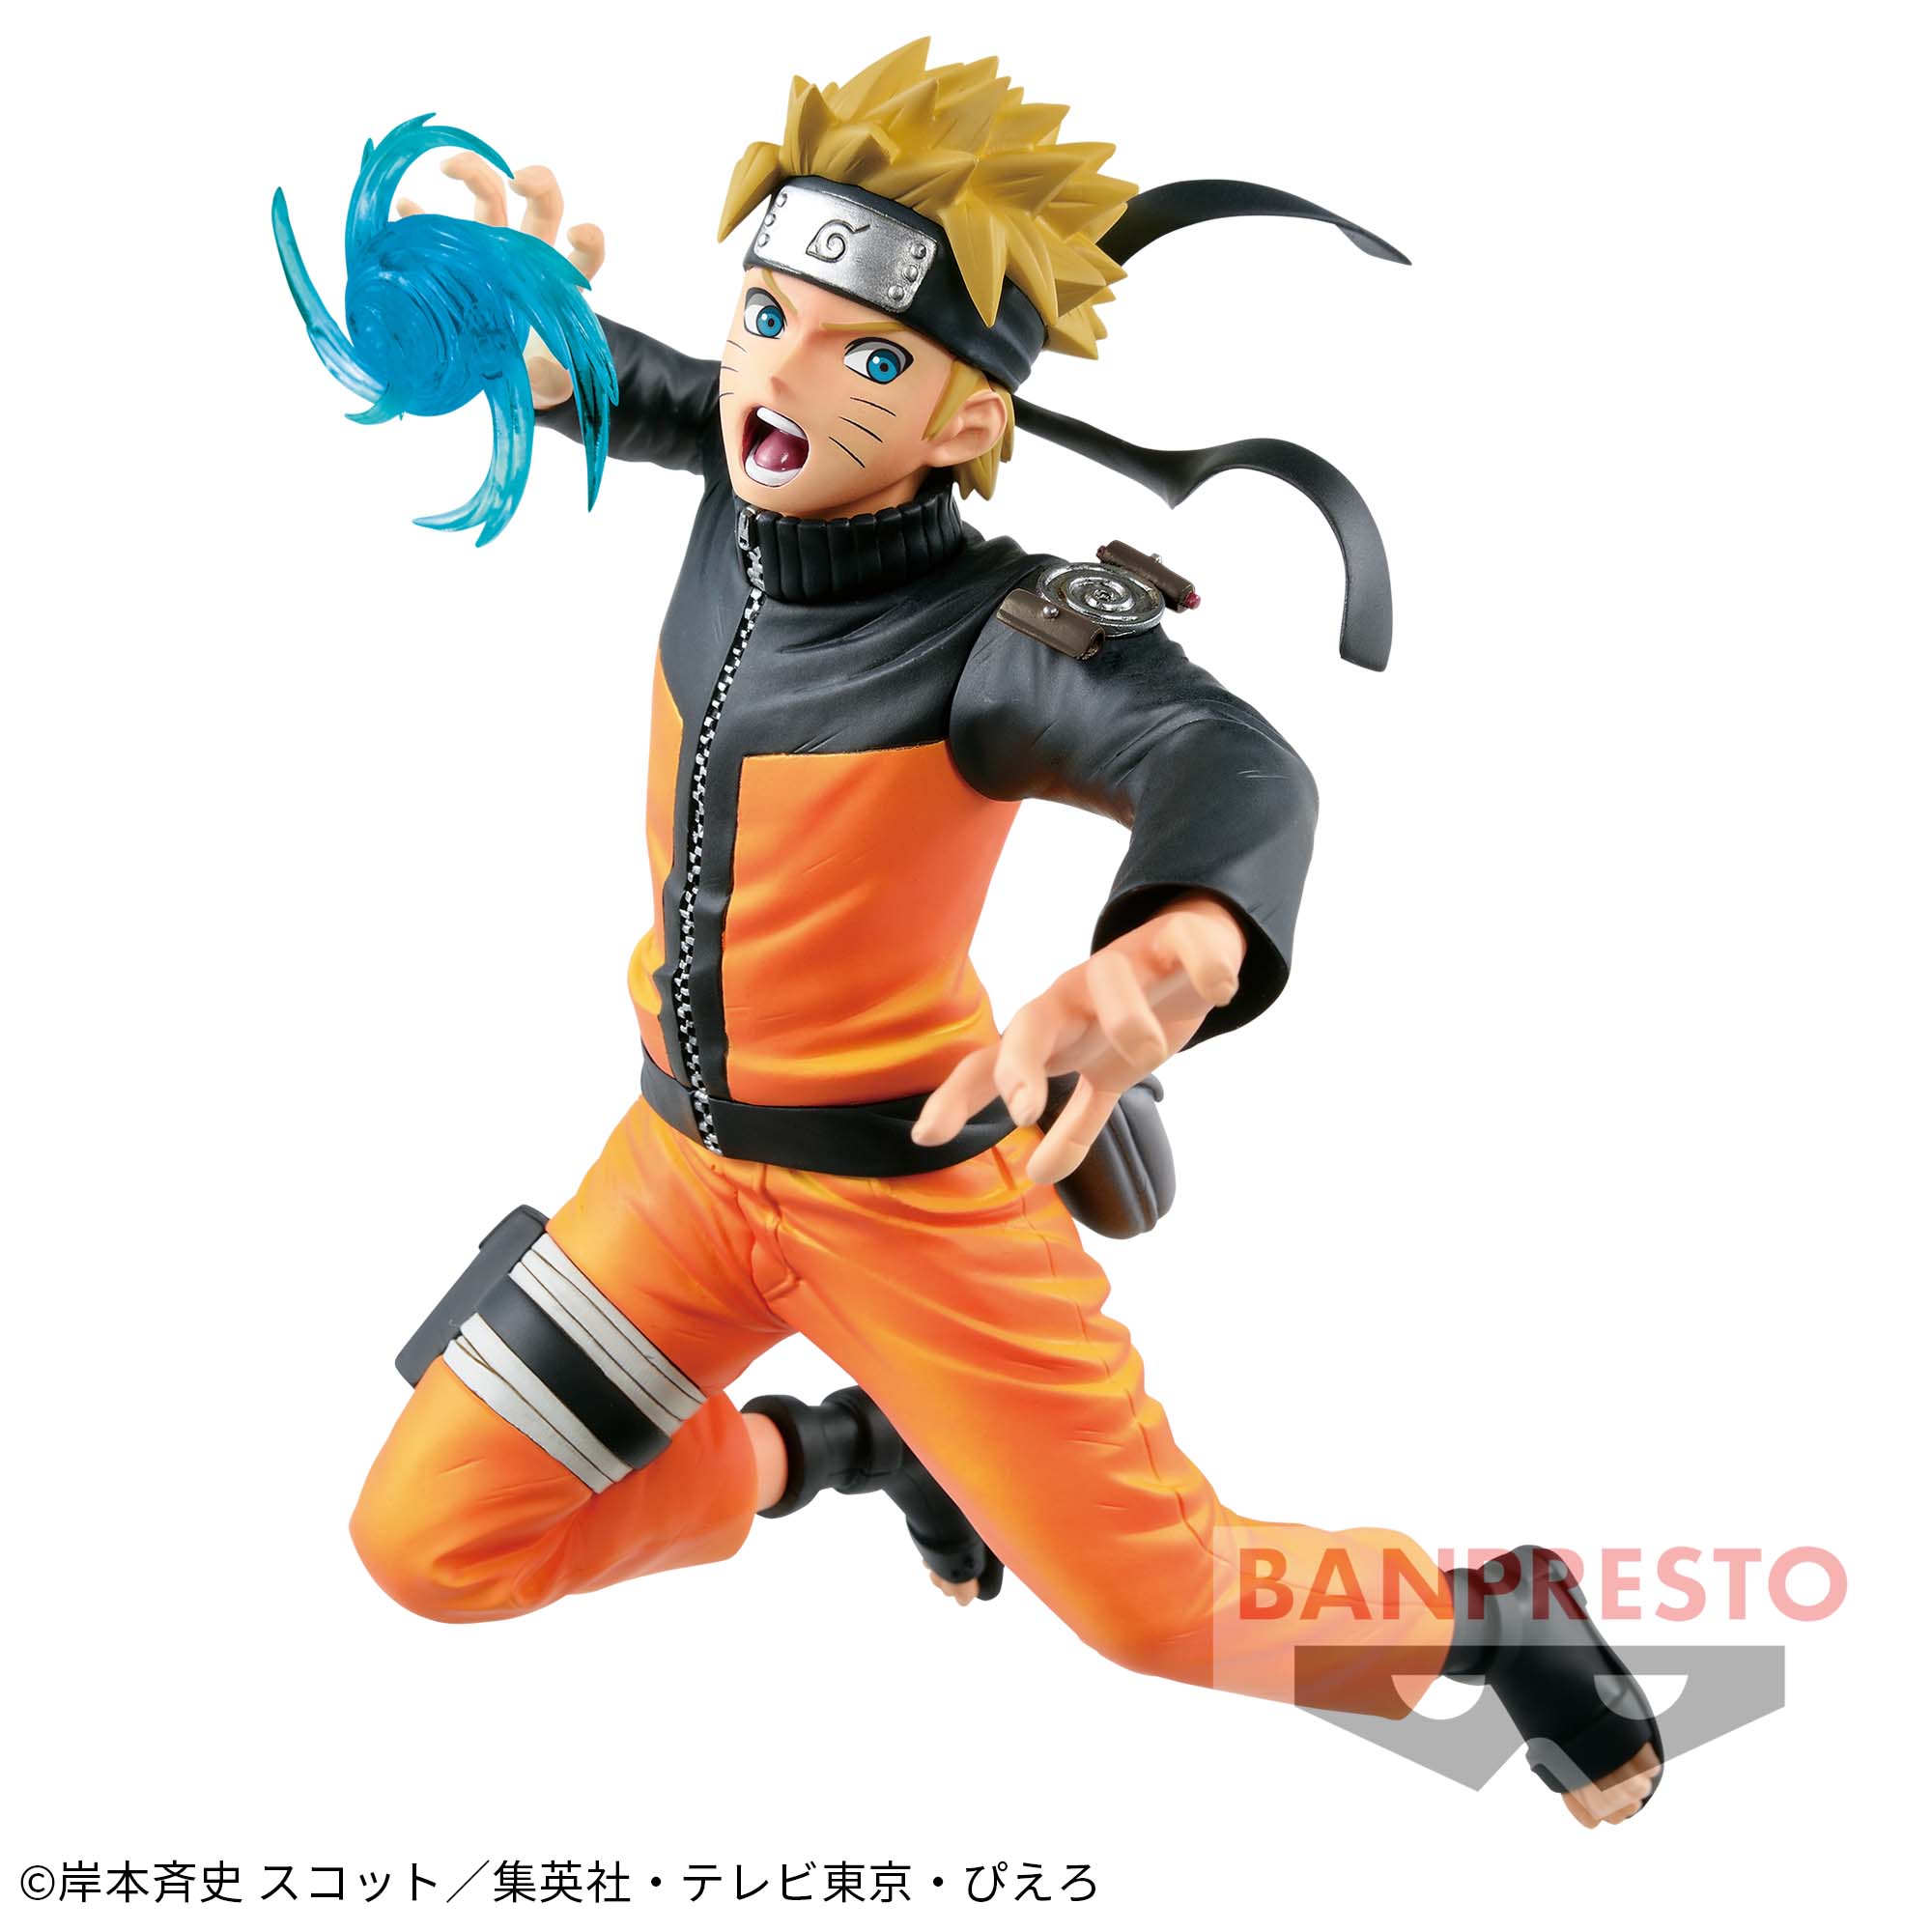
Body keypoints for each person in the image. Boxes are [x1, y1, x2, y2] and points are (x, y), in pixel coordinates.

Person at [341, 40, 1662, 1828]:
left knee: (1160, 1607)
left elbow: (1222, 757)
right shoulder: (751, 478)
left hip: (911, 1201)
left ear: (966, 424)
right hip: (675, 1180)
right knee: (435, 1541)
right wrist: (499, 332)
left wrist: (1173, 946)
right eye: (766, 318)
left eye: (870, 356)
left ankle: (1485, 1617)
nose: (779, 380)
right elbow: (626, 383)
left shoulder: (1004, 632)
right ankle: (846, 1447)